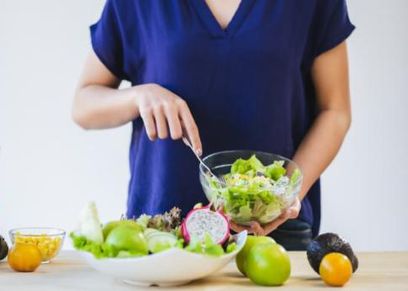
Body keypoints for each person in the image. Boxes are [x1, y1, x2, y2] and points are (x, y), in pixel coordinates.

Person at [73, 0, 355, 250]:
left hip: (273, 233)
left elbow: (335, 111)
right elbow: (83, 105)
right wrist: (138, 96)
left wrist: (288, 191)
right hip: (162, 234)